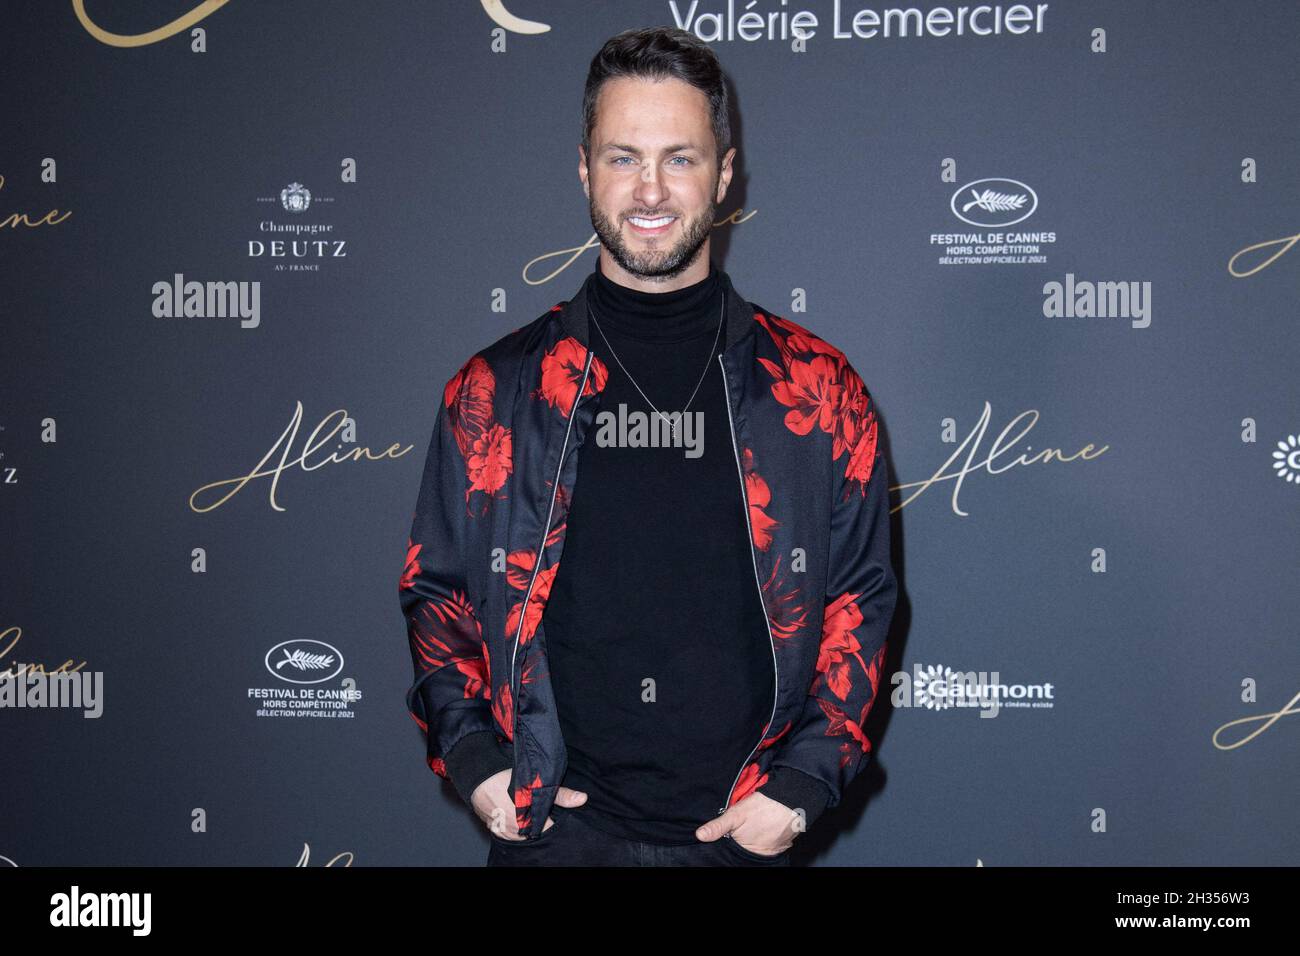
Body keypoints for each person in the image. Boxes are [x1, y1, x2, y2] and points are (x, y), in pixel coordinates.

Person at [399, 26, 897, 867]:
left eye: (681, 158)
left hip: (741, 838)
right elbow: (436, 589)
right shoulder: (496, 389)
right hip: (555, 838)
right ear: (586, 170)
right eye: (624, 158)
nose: (652, 190)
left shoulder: (818, 388)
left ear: (725, 175)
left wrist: (803, 788)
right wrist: (479, 763)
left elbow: (859, 597)